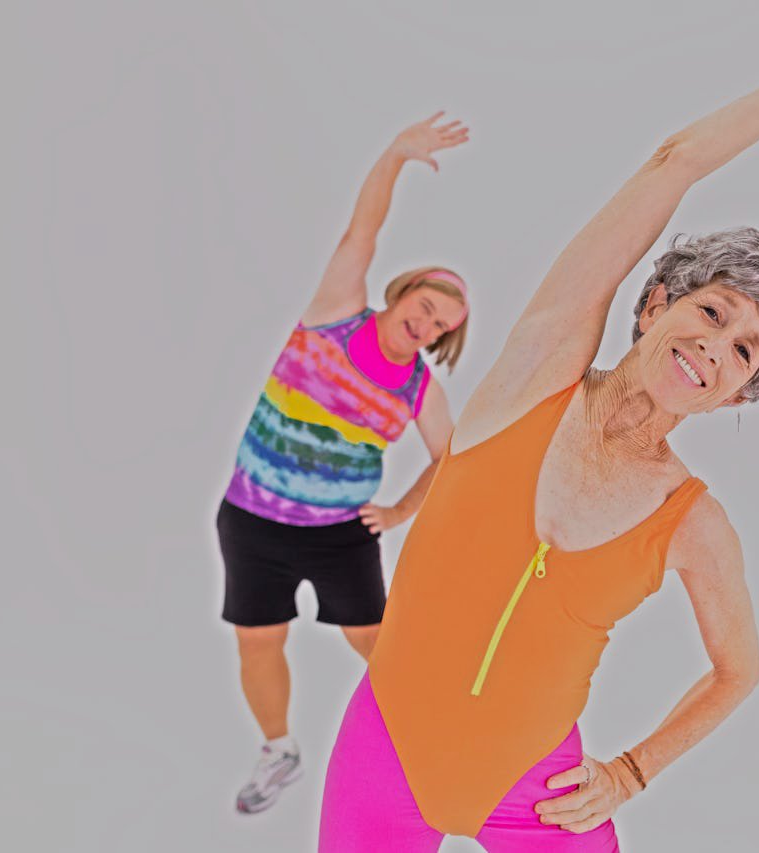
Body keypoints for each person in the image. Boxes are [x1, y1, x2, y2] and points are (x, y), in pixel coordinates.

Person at [318, 34, 759, 853]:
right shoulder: (536, 377)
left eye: (744, 352)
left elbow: (739, 669)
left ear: (741, 391)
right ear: (657, 302)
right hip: (384, 756)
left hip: (537, 798)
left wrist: (631, 771)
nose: (714, 348)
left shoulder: (691, 520)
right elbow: (673, 162)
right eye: (712, 312)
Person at [215, 113, 471, 814]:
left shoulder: (419, 386)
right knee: (258, 641)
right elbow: (363, 232)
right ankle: (280, 751)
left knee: (380, 644)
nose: (426, 325)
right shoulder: (335, 313)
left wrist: (400, 510)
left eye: (440, 325)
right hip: (251, 521)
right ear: (402, 292)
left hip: (340, 535)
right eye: (424, 307)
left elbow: (450, 458)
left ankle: (437, 744)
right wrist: (396, 154)